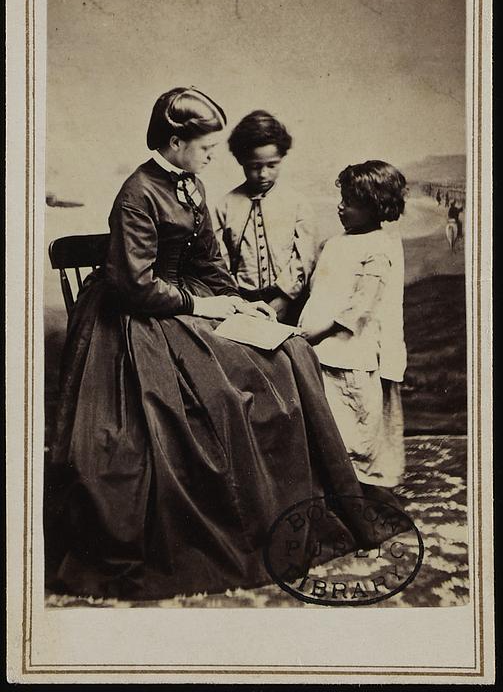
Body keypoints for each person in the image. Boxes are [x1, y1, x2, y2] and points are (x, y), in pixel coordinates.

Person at [47, 91, 407, 602]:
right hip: (136, 320)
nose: (215, 157)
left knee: (290, 354)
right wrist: (206, 308)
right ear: (176, 142)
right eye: (207, 147)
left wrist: (238, 302)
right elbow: (136, 285)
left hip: (190, 304)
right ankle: (239, 516)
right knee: (216, 399)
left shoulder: (190, 183)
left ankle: (293, 504)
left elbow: (210, 262)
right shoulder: (137, 194)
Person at [299, 160, 408, 488]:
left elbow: (361, 306)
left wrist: (317, 332)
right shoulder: (337, 242)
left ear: (376, 207)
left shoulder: (378, 246)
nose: (340, 206)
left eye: (351, 201)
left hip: (349, 356)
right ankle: (337, 493)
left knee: (355, 432)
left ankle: (362, 498)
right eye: (342, 197)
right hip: (320, 352)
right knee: (329, 427)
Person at [214, 110, 318, 324]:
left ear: (282, 159)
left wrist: (284, 298)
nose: (263, 174)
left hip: (290, 301)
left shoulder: (297, 204)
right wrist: (237, 301)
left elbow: (304, 257)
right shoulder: (224, 206)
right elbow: (218, 258)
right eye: (254, 167)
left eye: (272, 165)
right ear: (241, 160)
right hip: (242, 302)